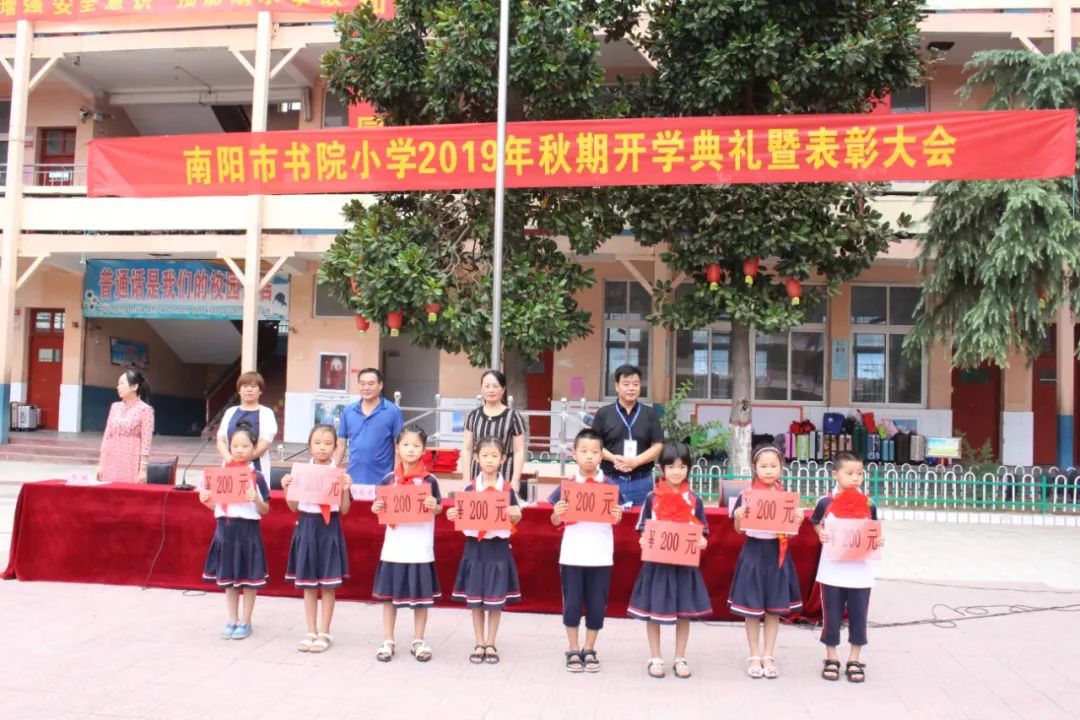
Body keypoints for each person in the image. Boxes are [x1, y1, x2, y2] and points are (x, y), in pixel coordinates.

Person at [627, 441, 711, 679]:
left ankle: (680, 657)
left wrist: (702, 542)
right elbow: (642, 529)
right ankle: (655, 656)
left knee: (683, 612)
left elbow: (702, 532)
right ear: (662, 469)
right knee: (653, 611)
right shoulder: (651, 498)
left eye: (682, 466)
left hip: (684, 566)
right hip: (657, 566)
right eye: (671, 466)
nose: (677, 471)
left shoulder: (695, 500)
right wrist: (643, 540)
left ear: (689, 469)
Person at [549, 428, 623, 673]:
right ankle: (572, 647)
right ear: (574, 454)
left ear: (602, 455)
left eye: (594, 452)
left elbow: (617, 518)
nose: (589, 457)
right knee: (571, 603)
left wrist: (618, 515)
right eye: (583, 451)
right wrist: (557, 515)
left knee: (596, 604)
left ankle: (589, 648)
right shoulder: (567, 487)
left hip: (601, 555)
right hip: (572, 554)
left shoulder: (611, 486)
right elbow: (554, 521)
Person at [446, 436, 523, 665]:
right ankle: (479, 641)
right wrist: (454, 515)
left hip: (498, 548)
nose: (490, 460)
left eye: (494, 456)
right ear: (477, 458)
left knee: (495, 599)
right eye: (485, 455)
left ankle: (491, 642)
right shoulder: (469, 488)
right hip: (474, 548)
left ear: (502, 459)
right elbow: (461, 517)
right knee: (475, 597)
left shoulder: (507, 489)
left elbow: (516, 517)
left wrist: (516, 515)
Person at [729, 445, 803, 679]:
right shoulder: (746, 495)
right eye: (763, 466)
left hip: (777, 554)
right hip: (753, 553)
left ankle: (768, 654)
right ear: (754, 468)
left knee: (773, 609)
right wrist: (739, 518)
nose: (769, 471)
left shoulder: (785, 497)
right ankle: (753, 654)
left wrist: (798, 521)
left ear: (782, 468)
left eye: (774, 466)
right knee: (751, 609)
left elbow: (789, 534)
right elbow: (739, 531)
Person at [370, 425, 443, 663]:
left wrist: (435, 506)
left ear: (424, 450)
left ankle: (418, 640)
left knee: (421, 598)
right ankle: (388, 639)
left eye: (416, 445)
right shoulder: (388, 479)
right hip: (394, 548)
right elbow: (378, 506)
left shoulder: (430, 480)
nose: (410, 450)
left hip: (420, 548)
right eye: (405, 445)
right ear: (397, 447)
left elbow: (440, 507)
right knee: (389, 598)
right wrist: (376, 507)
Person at [811, 451, 883, 683]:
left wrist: (878, 540)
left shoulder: (869, 503)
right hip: (832, 571)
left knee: (858, 615)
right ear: (835, 474)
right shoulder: (825, 503)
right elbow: (815, 523)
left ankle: (855, 657)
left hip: (860, 572)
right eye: (849, 473)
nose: (855, 478)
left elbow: (872, 529)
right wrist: (820, 533)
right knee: (831, 615)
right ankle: (831, 656)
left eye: (860, 474)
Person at [282, 424, 352, 654]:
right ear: (310, 445)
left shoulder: (338, 474)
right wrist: (286, 489)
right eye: (317, 443)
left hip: (329, 527)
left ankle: (324, 631)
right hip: (307, 525)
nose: (322, 448)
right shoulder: (300, 471)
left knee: (328, 584)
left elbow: (344, 510)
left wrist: (344, 489)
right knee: (309, 584)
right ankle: (310, 630)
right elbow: (293, 507)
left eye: (328, 443)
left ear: (336, 447)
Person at [199, 422, 270, 640]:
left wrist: (256, 498)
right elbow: (218, 507)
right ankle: (232, 618)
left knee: (248, 579)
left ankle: (246, 620)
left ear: (254, 448)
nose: (239, 450)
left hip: (248, 531)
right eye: (235, 445)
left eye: (245, 446)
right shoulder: (220, 475)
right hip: (225, 531)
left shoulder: (256, 476)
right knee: (228, 579)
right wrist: (206, 501)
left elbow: (265, 509)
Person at [589, 364, 664, 506]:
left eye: (635, 384)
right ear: (617, 386)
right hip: (610, 480)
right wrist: (614, 459)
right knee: (609, 522)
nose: (631, 388)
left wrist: (636, 461)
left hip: (642, 482)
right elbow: (594, 445)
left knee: (640, 525)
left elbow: (658, 445)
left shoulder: (650, 414)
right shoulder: (604, 414)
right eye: (626, 384)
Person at [334, 368, 404, 490]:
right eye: (362, 383)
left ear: (380, 385)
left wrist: (396, 477)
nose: (366, 388)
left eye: (371, 384)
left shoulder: (393, 412)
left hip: (382, 480)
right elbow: (341, 445)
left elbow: (398, 448)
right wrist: (332, 471)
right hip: (353, 480)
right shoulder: (348, 411)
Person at [461, 369, 528, 494]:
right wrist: (466, 478)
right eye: (487, 386)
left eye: (495, 386)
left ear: (503, 389)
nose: (491, 390)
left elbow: (519, 451)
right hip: (478, 475)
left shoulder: (513, 417)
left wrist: (515, 480)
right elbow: (467, 449)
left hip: (505, 475)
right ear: (481, 389)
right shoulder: (472, 416)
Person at [216, 371, 278, 481]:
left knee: (254, 497)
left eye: (253, 386)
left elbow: (264, 443)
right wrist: (230, 460)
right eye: (245, 386)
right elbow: (221, 439)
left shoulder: (266, 413)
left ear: (260, 391)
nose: (249, 389)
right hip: (230, 466)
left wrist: (244, 461)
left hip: (256, 467)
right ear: (239, 390)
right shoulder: (230, 411)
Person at [97, 369, 155, 483]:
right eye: (118, 384)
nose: (118, 387)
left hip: (130, 461)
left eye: (122, 384)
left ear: (134, 387)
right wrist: (101, 464)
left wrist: (143, 470)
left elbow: (146, 442)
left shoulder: (145, 410)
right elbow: (107, 437)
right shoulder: (115, 407)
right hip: (111, 458)